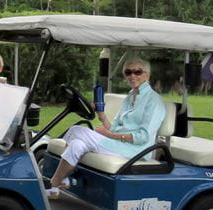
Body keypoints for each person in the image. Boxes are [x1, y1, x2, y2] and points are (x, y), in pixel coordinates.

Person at [46, 57, 167, 199]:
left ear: (147, 75)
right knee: (77, 145)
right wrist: (101, 114)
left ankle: (53, 183)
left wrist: (108, 135)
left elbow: (143, 137)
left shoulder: (154, 100)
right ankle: (58, 187)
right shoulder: (130, 97)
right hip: (117, 143)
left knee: (76, 130)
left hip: (135, 150)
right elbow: (114, 128)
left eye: (137, 72)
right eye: (128, 72)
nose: (132, 75)